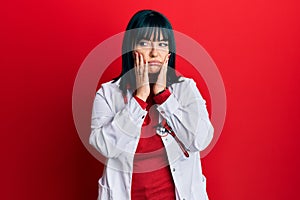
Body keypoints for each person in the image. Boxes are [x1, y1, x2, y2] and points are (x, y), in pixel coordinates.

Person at [89, 9, 214, 200]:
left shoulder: (186, 88)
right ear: (131, 48)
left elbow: (200, 140)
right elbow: (105, 147)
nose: (155, 52)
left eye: (162, 44)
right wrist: (139, 99)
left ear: (169, 52)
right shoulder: (108, 93)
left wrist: (163, 96)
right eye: (145, 43)